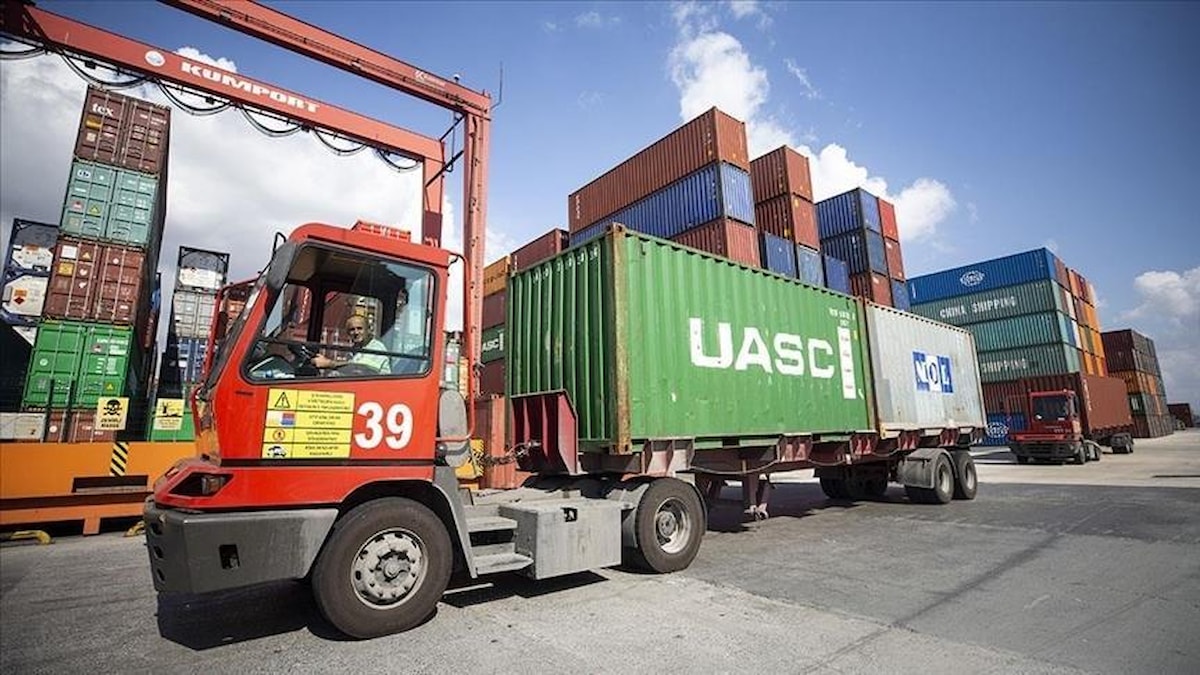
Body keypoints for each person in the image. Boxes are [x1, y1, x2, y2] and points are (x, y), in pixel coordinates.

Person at [313, 315, 390, 373]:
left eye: (359, 328)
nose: (356, 332)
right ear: (348, 333)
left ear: (368, 330)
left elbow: (359, 369)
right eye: (352, 329)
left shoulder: (376, 347)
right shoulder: (352, 352)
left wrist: (329, 364)